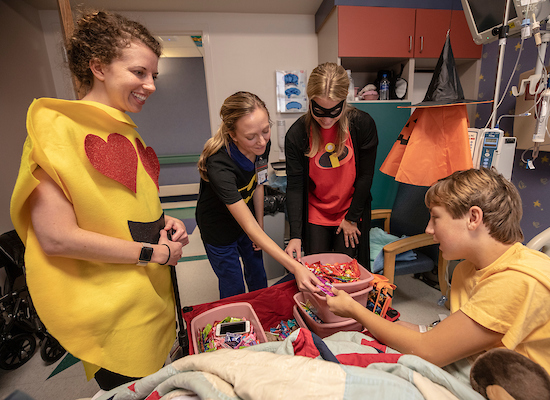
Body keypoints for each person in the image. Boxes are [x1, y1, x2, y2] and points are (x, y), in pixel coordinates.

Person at [10, 11, 190, 391]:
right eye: (140, 72)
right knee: (131, 384)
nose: (151, 85)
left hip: (149, 297)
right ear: (99, 67)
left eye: (153, 75)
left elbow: (118, 206)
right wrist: (151, 253)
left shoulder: (126, 132)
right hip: (114, 307)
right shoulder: (57, 131)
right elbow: (56, 237)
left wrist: (163, 220)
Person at [326, 168, 550, 399]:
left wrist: (354, 309)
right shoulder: (469, 270)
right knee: (359, 339)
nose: (428, 230)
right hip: (502, 365)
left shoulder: (517, 281)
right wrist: (375, 319)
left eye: (435, 218)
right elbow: (445, 332)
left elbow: (428, 350)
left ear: (473, 218)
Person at [196, 91, 321, 299]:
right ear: (232, 134)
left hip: (248, 221)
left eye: (265, 131)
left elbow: (259, 183)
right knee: (233, 283)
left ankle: (262, 314)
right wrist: (296, 267)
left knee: (258, 274)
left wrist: (260, 223)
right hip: (218, 229)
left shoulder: (261, 146)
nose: (262, 142)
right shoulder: (219, 164)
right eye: (251, 137)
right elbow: (249, 227)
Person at [285, 62, 378, 270]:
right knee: (318, 270)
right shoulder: (297, 134)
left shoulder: (363, 125)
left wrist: (352, 218)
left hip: (350, 209)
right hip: (316, 210)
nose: (326, 120)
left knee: (348, 270)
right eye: (319, 110)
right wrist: (295, 236)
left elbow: (365, 177)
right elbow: (294, 188)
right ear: (309, 101)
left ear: (345, 102)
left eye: (334, 111)